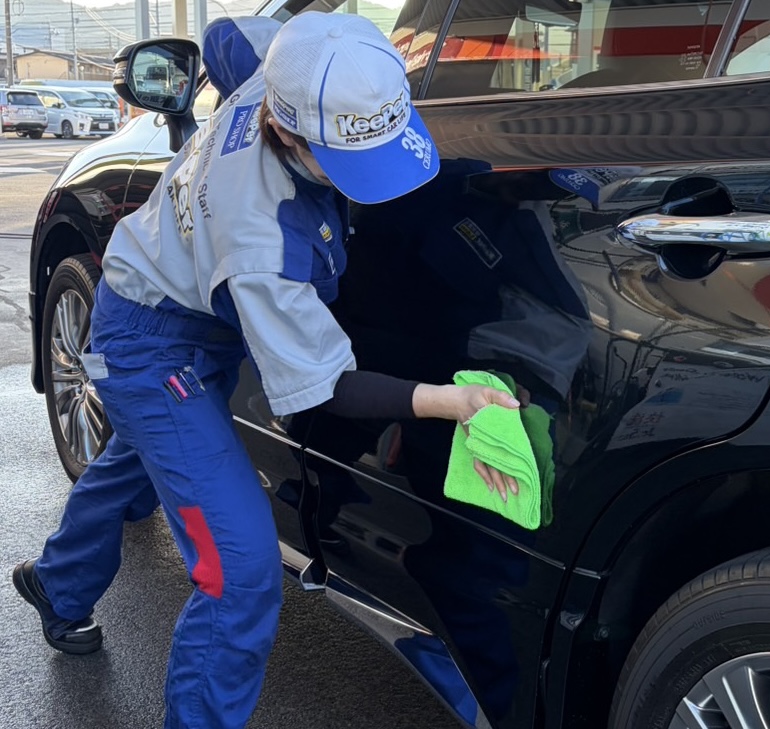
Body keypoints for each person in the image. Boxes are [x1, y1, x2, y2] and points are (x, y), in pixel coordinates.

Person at [11, 12, 520, 729]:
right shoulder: (262, 242)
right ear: (284, 131)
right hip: (155, 347)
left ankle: (58, 584)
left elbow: (224, 35)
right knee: (240, 572)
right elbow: (330, 387)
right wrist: (451, 401)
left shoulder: (278, 66)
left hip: (173, 294)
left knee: (138, 460)